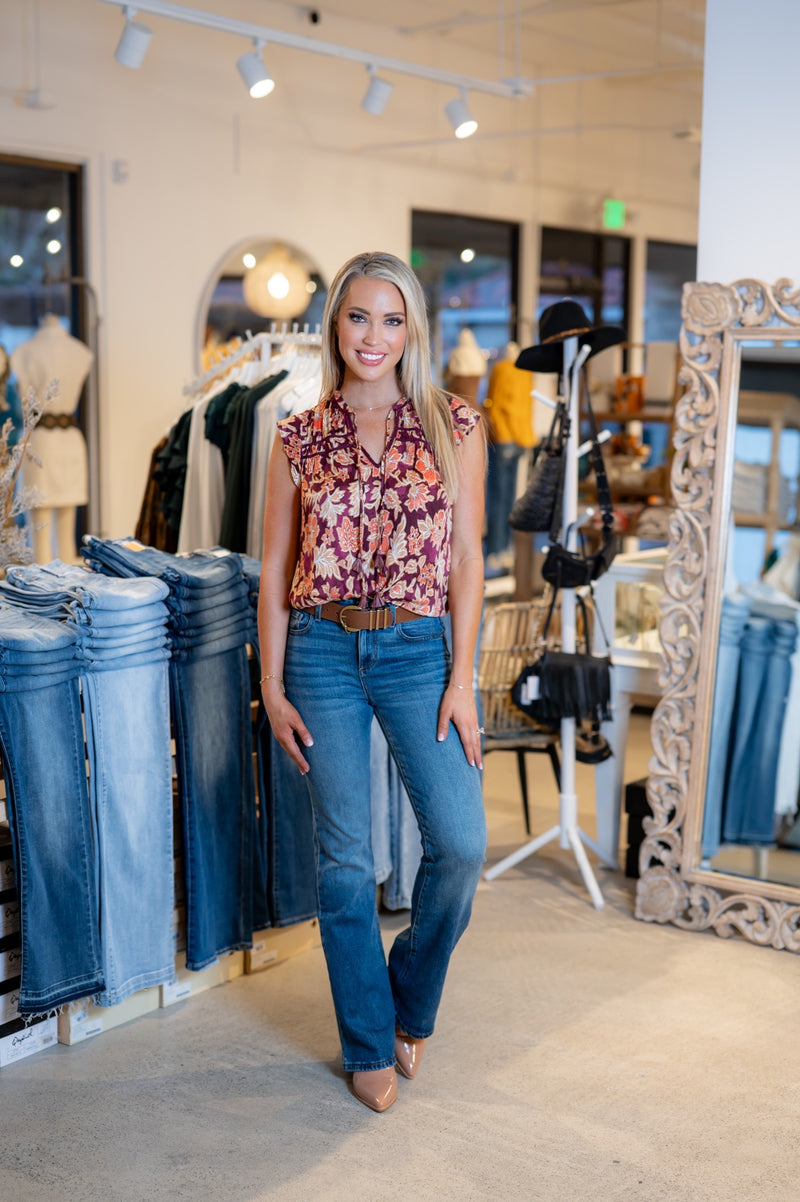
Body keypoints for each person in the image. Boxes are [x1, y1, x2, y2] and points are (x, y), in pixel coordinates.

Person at [257, 251, 488, 1113]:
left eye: (393, 320)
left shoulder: (454, 425)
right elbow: (275, 565)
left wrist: (463, 676)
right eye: (359, 317)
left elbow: (466, 559)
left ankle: (410, 1003)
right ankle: (365, 1034)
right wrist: (272, 685)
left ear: (413, 329)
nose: (374, 337)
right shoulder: (296, 434)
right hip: (319, 650)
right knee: (347, 862)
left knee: (462, 844)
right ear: (335, 325)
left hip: (421, 650)